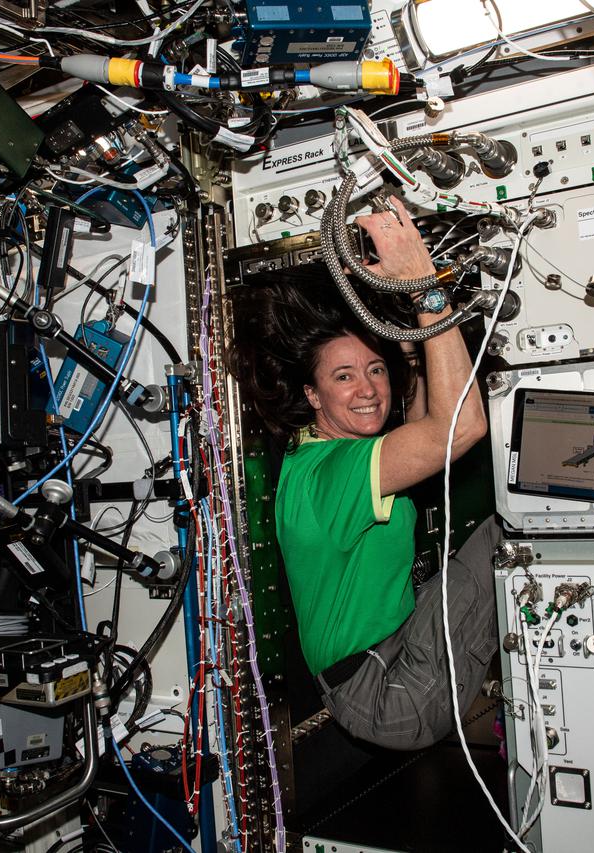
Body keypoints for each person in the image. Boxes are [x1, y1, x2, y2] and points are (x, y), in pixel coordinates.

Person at [230, 196, 501, 750]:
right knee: (515, 532)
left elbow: (429, 423)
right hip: (387, 690)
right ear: (312, 394)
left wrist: (408, 353)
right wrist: (424, 285)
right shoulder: (335, 475)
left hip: (388, 658)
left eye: (375, 371)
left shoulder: (315, 458)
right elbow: (460, 428)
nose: (369, 389)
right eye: (345, 377)